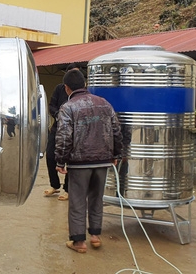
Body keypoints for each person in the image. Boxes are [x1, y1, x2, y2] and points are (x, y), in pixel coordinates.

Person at [54, 69, 122, 253]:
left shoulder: (68, 107)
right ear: (85, 84)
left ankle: (79, 243)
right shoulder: (104, 104)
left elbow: (64, 137)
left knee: (77, 201)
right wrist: (116, 155)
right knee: (96, 198)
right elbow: (116, 130)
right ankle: (95, 236)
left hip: (79, 163)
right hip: (103, 161)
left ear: (67, 88)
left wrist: (60, 161)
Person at [44, 63, 78, 201]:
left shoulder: (80, 92)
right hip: (57, 127)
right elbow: (51, 105)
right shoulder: (60, 89)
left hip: (74, 130)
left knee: (71, 159)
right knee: (50, 156)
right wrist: (58, 114)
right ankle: (54, 184)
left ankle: (68, 189)